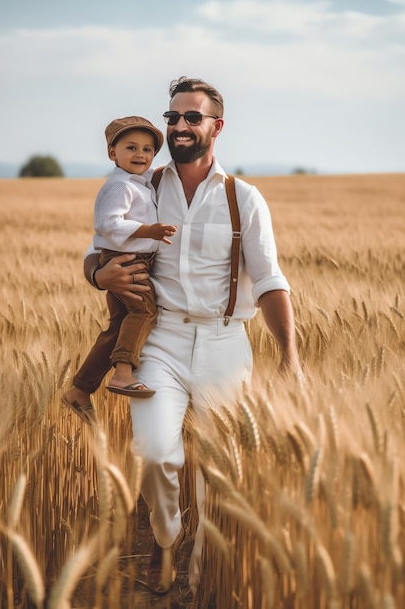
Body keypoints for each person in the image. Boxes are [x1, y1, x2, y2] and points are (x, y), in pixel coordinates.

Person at [83, 77, 303, 596]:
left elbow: (270, 279)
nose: (179, 126)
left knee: (220, 469)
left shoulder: (243, 198)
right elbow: (103, 243)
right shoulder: (143, 185)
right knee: (157, 452)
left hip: (226, 342)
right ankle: (165, 541)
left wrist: (291, 357)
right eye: (173, 117)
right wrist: (98, 275)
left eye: (192, 118)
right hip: (159, 339)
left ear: (215, 127)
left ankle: (203, 568)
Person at [63, 116, 177, 424]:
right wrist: (148, 231)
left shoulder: (138, 180)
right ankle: (123, 374)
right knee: (143, 313)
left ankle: (80, 390)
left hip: (127, 257)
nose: (141, 155)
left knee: (117, 328)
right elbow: (108, 224)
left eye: (148, 149)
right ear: (112, 153)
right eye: (131, 148)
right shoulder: (120, 186)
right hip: (126, 261)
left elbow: (154, 173)